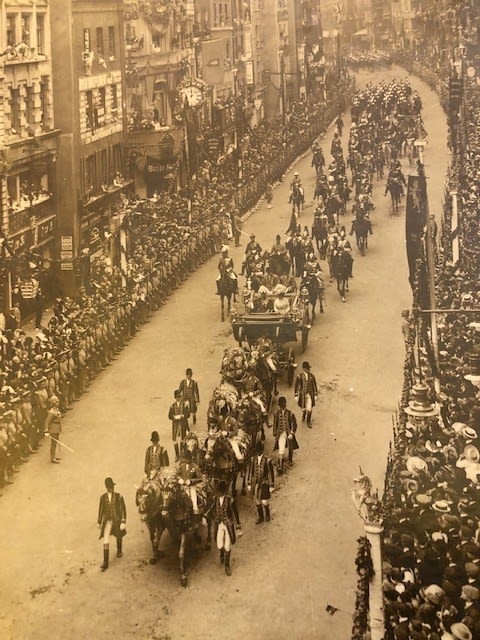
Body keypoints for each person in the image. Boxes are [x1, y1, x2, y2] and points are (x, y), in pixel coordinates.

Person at [97, 477, 127, 572]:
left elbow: (123, 510)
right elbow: (101, 510)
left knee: (119, 535)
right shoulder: (102, 497)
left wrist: (123, 521)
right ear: (107, 487)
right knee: (105, 539)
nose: (111, 489)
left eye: (112, 487)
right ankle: (105, 562)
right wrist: (99, 521)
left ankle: (119, 550)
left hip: (117, 520)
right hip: (108, 521)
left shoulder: (119, 496)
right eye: (109, 487)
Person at [247, 441, 275, 524]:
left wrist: (271, 485)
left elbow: (271, 473)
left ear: (261, 451)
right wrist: (249, 483)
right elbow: (250, 472)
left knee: (264, 501)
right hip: (255, 484)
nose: (257, 453)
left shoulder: (267, 461)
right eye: (256, 451)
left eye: (258, 451)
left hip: (264, 483)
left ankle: (267, 514)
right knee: (257, 501)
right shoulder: (253, 460)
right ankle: (261, 517)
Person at [214, 479, 237, 576]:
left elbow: (236, 513)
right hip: (219, 524)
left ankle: (227, 565)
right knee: (219, 545)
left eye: (221, 492)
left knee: (227, 545)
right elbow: (212, 508)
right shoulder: (215, 499)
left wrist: (238, 525)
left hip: (227, 525)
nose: (219, 494)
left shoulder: (230, 500)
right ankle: (222, 553)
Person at [273, 396, 299, 473]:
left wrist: (292, 433)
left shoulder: (290, 413)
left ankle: (290, 459)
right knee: (281, 449)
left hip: (288, 433)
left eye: (284, 404)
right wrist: (275, 433)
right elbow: (275, 424)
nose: (283, 406)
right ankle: (280, 466)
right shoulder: (276, 414)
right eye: (281, 405)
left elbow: (294, 424)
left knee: (290, 447)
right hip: (280, 433)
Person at [294, 361, 318, 428]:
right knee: (303, 408)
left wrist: (316, 394)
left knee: (309, 408)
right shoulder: (299, 376)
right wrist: (296, 395)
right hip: (302, 396)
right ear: (304, 369)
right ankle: (304, 414)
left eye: (309, 368)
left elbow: (314, 385)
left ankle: (308, 421)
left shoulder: (312, 376)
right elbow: (296, 386)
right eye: (307, 369)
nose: (309, 370)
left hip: (309, 395)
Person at [168, 389, 191, 461]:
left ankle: (182, 454)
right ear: (175, 397)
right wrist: (174, 417)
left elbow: (188, 414)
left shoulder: (184, 404)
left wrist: (183, 416)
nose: (178, 398)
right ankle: (177, 455)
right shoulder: (172, 406)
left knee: (182, 439)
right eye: (177, 397)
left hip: (183, 424)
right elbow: (169, 416)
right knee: (175, 440)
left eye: (179, 396)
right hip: (175, 425)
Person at [44, 395, 62, 463]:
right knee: (53, 443)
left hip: (57, 427)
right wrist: (46, 429)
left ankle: (53, 456)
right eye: (57, 402)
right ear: (54, 403)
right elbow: (47, 421)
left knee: (55, 442)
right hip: (53, 428)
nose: (58, 403)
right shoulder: (52, 412)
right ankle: (52, 458)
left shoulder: (56, 409)